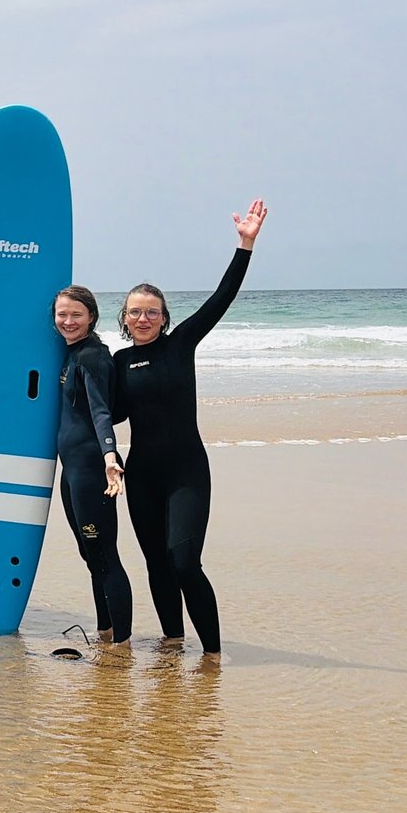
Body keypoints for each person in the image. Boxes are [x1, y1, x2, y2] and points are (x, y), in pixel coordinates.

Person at [113, 200, 267, 660]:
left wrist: (245, 245)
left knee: (184, 561)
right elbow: (110, 414)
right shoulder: (118, 362)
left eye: (152, 312)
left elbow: (222, 296)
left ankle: (213, 655)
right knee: (156, 563)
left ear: (164, 317)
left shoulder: (181, 344)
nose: (143, 319)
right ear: (124, 318)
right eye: (135, 312)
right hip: (142, 474)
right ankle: (172, 641)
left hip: (186, 472)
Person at [53, 285, 133, 646]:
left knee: (104, 555)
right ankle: (105, 631)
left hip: (91, 470)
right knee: (90, 554)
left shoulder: (93, 357)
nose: (68, 321)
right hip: (71, 471)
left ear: (92, 317)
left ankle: (122, 643)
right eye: (62, 314)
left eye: (76, 315)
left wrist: (110, 457)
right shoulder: (70, 353)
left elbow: (101, 412)